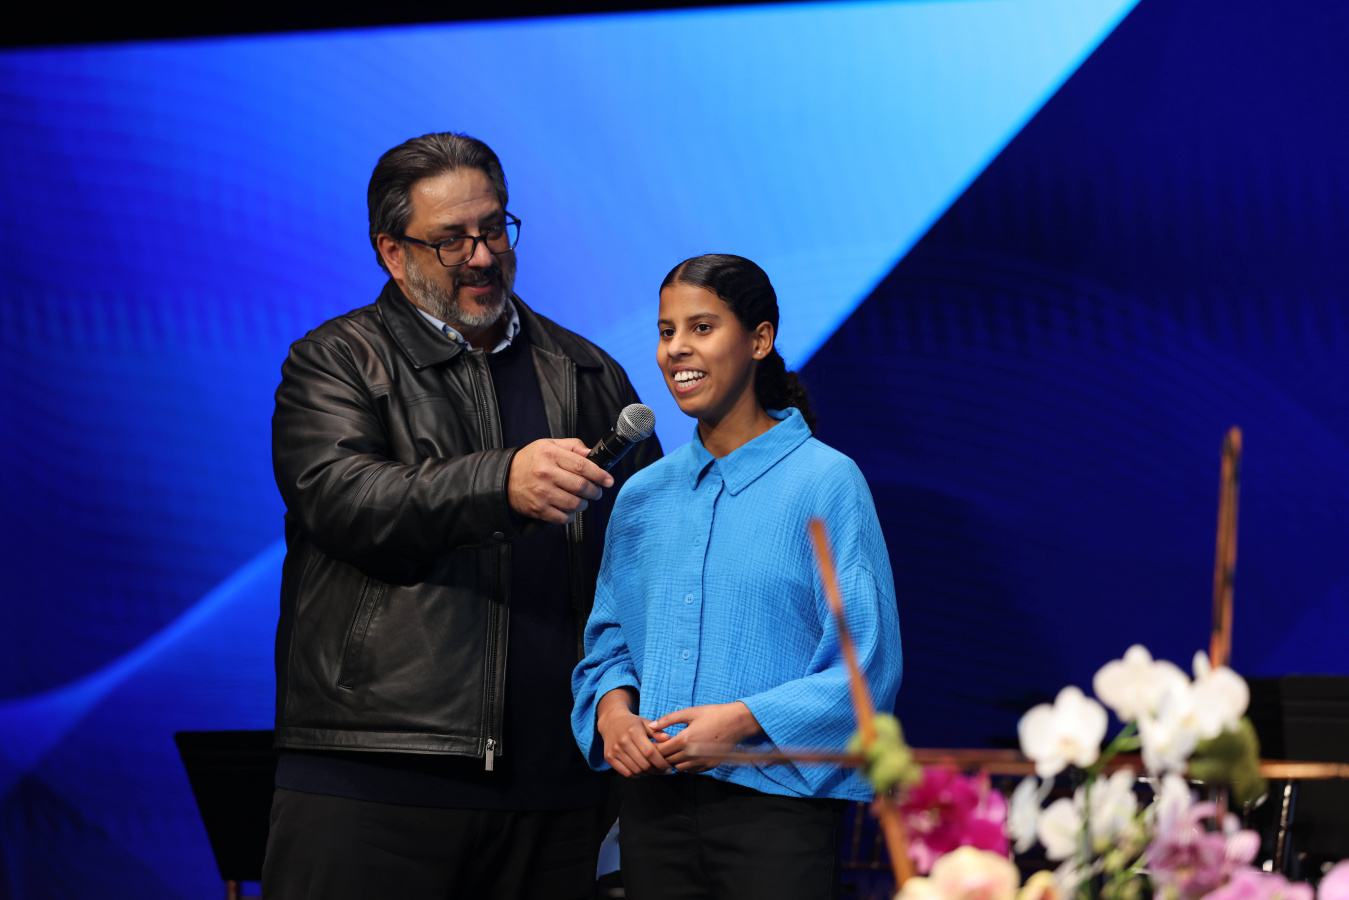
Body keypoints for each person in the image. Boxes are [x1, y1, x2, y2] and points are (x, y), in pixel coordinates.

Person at [263, 132, 660, 899]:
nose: (482, 256)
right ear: (392, 252)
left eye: (494, 228)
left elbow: (644, 559)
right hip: (376, 776)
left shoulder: (586, 371)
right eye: (451, 240)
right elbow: (343, 498)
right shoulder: (335, 361)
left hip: (559, 786)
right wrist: (499, 483)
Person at [571, 254, 903, 900]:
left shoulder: (826, 481)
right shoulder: (641, 495)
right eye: (666, 331)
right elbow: (608, 647)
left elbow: (866, 667)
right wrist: (613, 715)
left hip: (778, 813)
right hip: (652, 809)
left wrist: (743, 721)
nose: (676, 349)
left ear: (759, 339)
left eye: (701, 327)